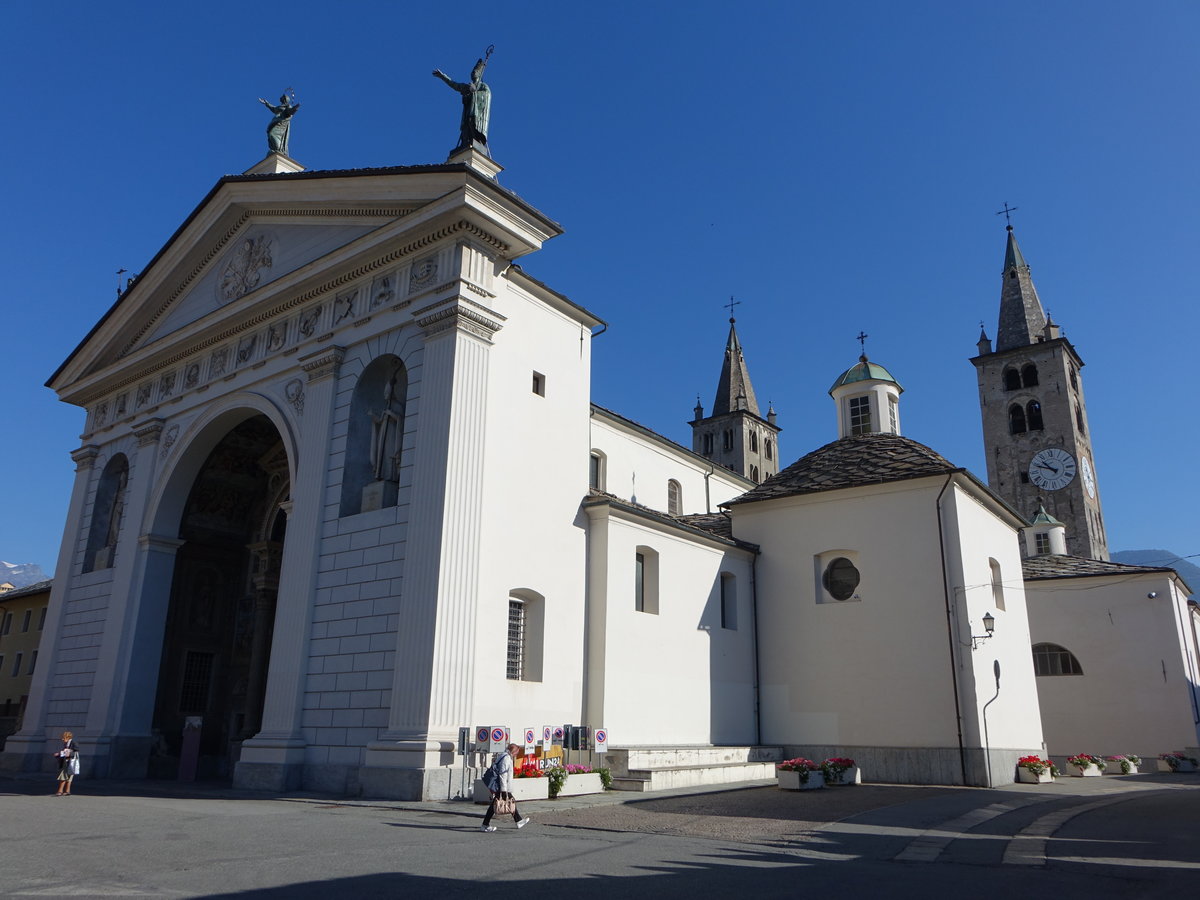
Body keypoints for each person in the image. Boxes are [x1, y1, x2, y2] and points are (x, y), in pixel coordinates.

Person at [432, 49, 492, 152]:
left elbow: (486, 96)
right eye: (472, 72)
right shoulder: (467, 86)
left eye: (475, 72)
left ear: (479, 74)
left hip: (476, 114)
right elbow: (454, 85)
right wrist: (442, 76)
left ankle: (475, 140)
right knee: (466, 126)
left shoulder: (483, 86)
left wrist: (475, 93)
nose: (473, 74)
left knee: (472, 123)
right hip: (468, 111)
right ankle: (465, 142)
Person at [480, 743, 530, 832]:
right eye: (516, 753)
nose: (516, 755)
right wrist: (504, 790)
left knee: (499, 803)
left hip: (502, 785)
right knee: (508, 801)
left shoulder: (503, 756)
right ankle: (485, 824)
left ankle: (518, 820)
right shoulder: (506, 758)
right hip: (502, 786)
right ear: (513, 751)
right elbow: (503, 774)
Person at [54, 731, 79, 796]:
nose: (62, 739)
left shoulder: (73, 742)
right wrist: (59, 754)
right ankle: (67, 791)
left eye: (63, 738)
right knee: (68, 777)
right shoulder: (66, 743)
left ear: (67, 737)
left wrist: (69, 753)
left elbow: (76, 751)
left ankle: (60, 791)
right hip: (66, 761)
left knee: (63, 776)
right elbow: (65, 752)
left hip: (70, 762)